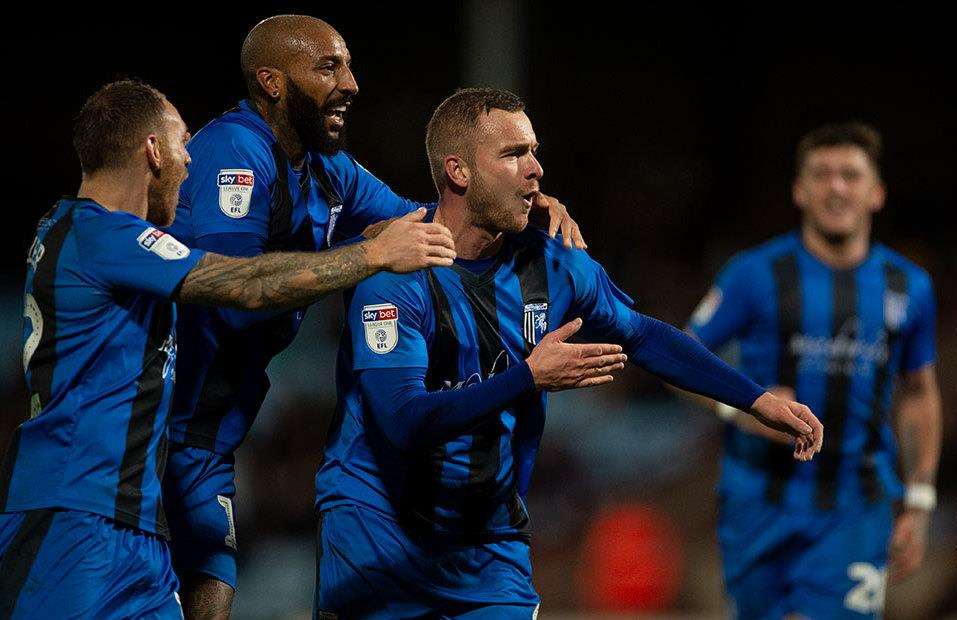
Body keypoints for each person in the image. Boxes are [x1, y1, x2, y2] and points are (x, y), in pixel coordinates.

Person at [313, 87, 823, 619]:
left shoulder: (556, 266)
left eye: (533, 151)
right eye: (513, 155)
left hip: (487, 547)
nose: (536, 170)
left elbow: (643, 334)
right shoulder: (397, 273)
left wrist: (756, 399)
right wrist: (527, 378)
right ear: (458, 171)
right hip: (377, 538)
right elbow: (401, 421)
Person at [162, 14, 583, 618]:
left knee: (210, 586)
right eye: (329, 67)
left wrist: (516, 207)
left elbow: (437, 225)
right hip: (154, 422)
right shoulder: (236, 151)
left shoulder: (329, 172)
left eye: (350, 66)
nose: (352, 83)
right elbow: (237, 293)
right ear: (272, 81)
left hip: (208, 436)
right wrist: (366, 255)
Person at [0, 79, 454, 619]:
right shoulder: (101, 235)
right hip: (71, 517)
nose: (191, 160)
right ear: (152, 150)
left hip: (133, 527)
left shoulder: (84, 235)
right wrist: (371, 255)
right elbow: (246, 287)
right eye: (182, 142)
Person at [684, 122, 942, 618]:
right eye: (822, 175)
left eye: (850, 174)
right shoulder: (754, 274)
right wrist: (740, 407)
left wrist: (920, 498)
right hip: (757, 497)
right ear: (799, 191)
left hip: (855, 505)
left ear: (877, 193)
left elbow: (919, 391)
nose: (836, 187)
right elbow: (680, 356)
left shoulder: (908, 287)